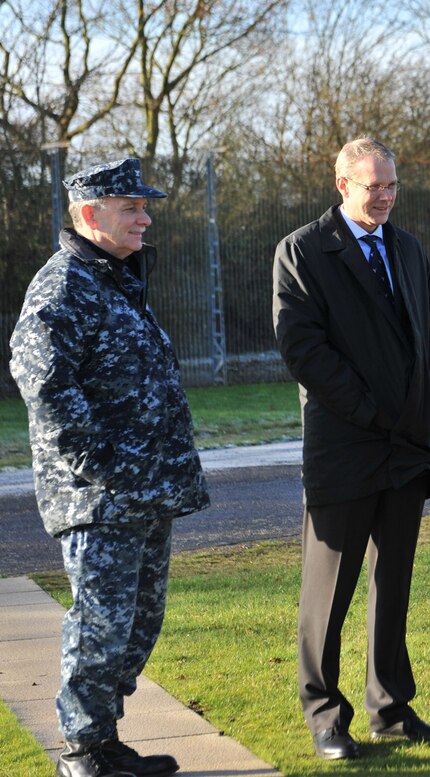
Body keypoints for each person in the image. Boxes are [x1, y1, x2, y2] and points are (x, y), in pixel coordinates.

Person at [8, 158, 210, 777]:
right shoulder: (65, 283)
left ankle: (105, 739)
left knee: (136, 625)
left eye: (145, 208)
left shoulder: (115, 278)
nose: (145, 219)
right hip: (100, 498)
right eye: (132, 208)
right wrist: (105, 464)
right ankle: (85, 751)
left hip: (145, 493)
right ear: (91, 214)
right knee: (101, 622)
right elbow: (41, 380)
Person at [273, 136, 430, 760]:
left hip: (407, 446)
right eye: (372, 185)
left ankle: (391, 709)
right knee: (329, 591)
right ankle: (325, 715)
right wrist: (370, 411)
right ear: (342, 184)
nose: (384, 197)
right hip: (344, 448)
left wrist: (429, 398)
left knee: (392, 584)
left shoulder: (407, 248)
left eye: (392, 185)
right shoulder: (302, 251)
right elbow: (304, 350)